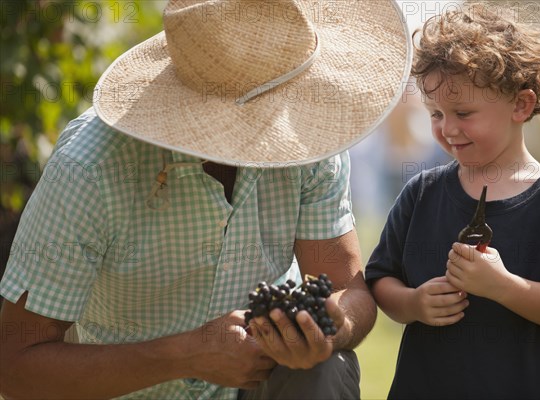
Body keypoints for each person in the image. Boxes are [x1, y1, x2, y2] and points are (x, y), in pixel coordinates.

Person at [0, 1, 412, 399]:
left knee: (327, 368)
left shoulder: (311, 142)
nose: (284, 125)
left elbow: (350, 291)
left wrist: (330, 327)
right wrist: (183, 356)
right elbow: (14, 366)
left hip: (255, 388)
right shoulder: (90, 166)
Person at [365, 3, 540, 399]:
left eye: (464, 112)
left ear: (521, 105)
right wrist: (414, 303)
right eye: (436, 113)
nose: (448, 129)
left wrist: (504, 287)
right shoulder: (421, 193)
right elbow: (381, 279)